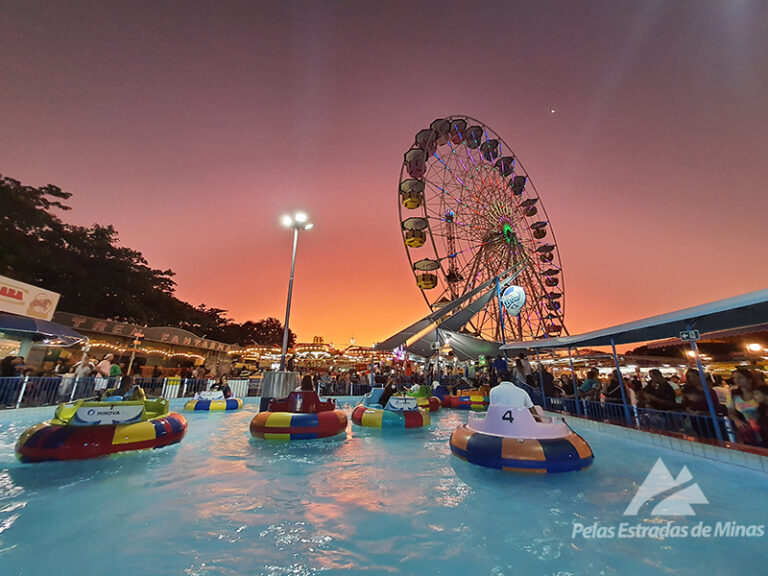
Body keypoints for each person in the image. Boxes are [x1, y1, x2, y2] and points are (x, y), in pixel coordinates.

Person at [727, 368, 768, 446]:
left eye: (740, 377)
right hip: (749, 427)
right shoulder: (733, 394)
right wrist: (736, 420)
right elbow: (730, 411)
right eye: (734, 378)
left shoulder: (759, 392)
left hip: (763, 425)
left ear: (749, 379)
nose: (736, 380)